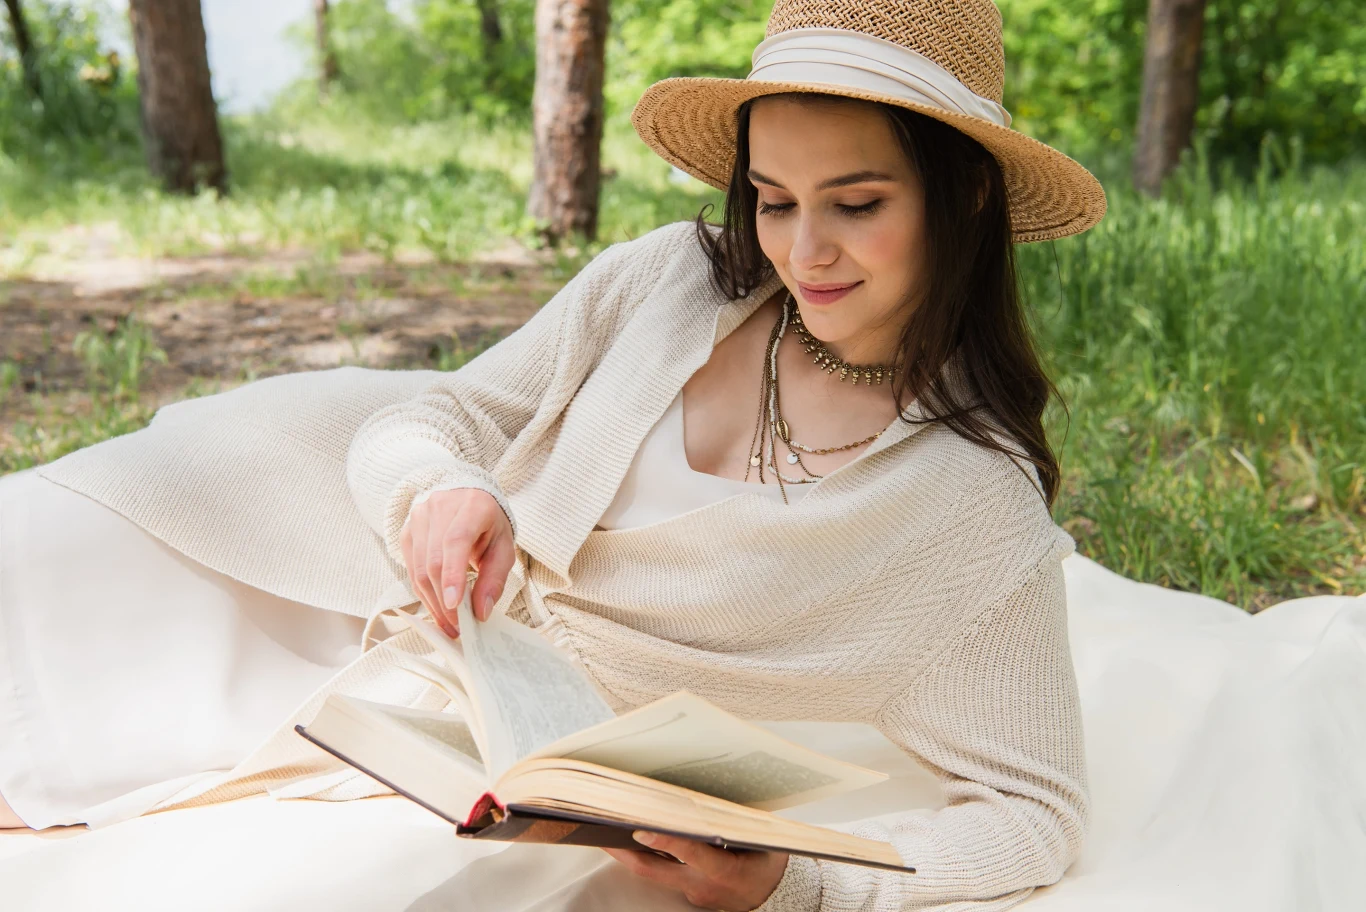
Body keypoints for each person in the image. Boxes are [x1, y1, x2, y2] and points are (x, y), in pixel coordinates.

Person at [8, 0, 1352, 910]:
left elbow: (1029, 813)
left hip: (462, 730)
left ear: (967, 192)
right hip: (293, 525)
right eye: (772, 201)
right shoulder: (666, 282)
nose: (801, 250)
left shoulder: (965, 505)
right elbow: (432, 417)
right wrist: (444, 493)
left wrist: (800, 885)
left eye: (856, 203)